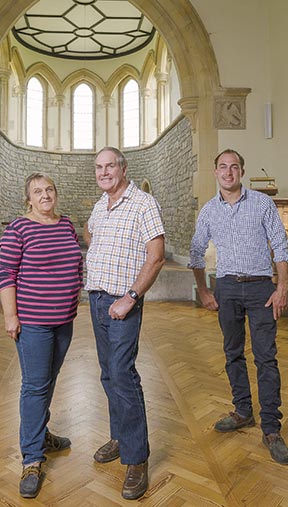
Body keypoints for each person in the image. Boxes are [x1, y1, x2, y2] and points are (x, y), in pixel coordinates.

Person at [188, 148, 288, 466]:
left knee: (266, 358)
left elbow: (280, 244)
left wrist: (282, 287)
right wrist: (204, 290)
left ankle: (272, 430)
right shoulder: (208, 211)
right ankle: (243, 411)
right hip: (228, 288)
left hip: (261, 287)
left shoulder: (262, 203)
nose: (229, 172)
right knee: (232, 353)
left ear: (242, 172)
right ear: (216, 172)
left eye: (234, 167)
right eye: (223, 167)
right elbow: (196, 251)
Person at [84, 147, 165, 500]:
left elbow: (157, 255)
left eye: (110, 166)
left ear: (123, 168)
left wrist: (130, 296)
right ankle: (120, 436)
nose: (104, 172)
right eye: (99, 167)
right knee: (107, 373)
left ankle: (136, 458)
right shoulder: (100, 206)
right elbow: (91, 237)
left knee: (122, 372)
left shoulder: (143, 203)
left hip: (123, 302)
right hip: (97, 299)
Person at [0, 173, 84, 498]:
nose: (45, 195)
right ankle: (32, 459)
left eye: (49, 189)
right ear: (28, 199)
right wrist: (10, 316)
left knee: (48, 380)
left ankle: (41, 433)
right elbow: (6, 273)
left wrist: (75, 291)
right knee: (34, 386)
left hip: (64, 320)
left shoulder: (65, 225)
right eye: (38, 191)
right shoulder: (19, 229)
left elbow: (76, 264)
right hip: (33, 322)